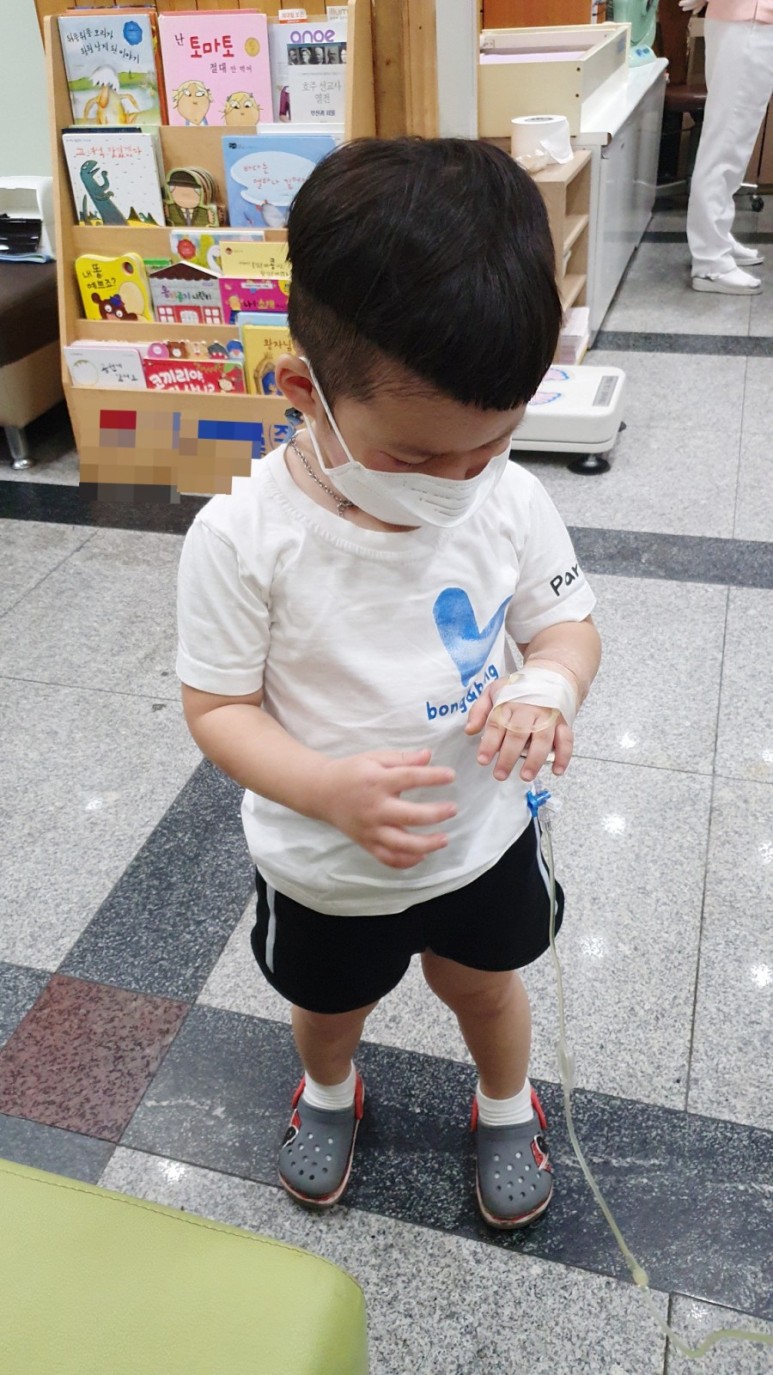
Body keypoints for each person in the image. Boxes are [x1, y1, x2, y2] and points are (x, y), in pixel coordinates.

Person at [176, 138, 601, 1229]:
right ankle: (330, 1090)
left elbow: (565, 627)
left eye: (490, 445)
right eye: (417, 459)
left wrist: (550, 686)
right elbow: (217, 709)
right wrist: (324, 789)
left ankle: (504, 1103)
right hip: (324, 862)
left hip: (482, 838)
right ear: (303, 391)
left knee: (483, 986)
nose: (458, 483)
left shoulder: (506, 498)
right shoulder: (242, 538)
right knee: (329, 1004)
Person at [683, 0, 773, 294]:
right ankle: (711, 261)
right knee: (726, 143)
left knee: (733, 141)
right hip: (748, 21)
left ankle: (716, 239)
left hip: (747, 20)